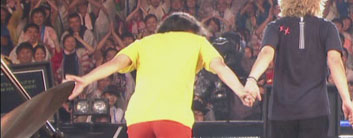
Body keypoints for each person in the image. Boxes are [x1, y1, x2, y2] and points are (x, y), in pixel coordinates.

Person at [66, 12, 252, 138]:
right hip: (172, 117)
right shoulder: (197, 41)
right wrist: (241, 90)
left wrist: (85, 79)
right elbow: (220, 67)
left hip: (139, 118)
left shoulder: (144, 42)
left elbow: (115, 63)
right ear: (190, 29)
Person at [243, 0, 353, 138]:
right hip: (315, 110)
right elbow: (335, 62)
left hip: (283, 111)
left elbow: (266, 53)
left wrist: (252, 79)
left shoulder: (275, 27)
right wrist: (346, 99)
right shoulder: (327, 27)